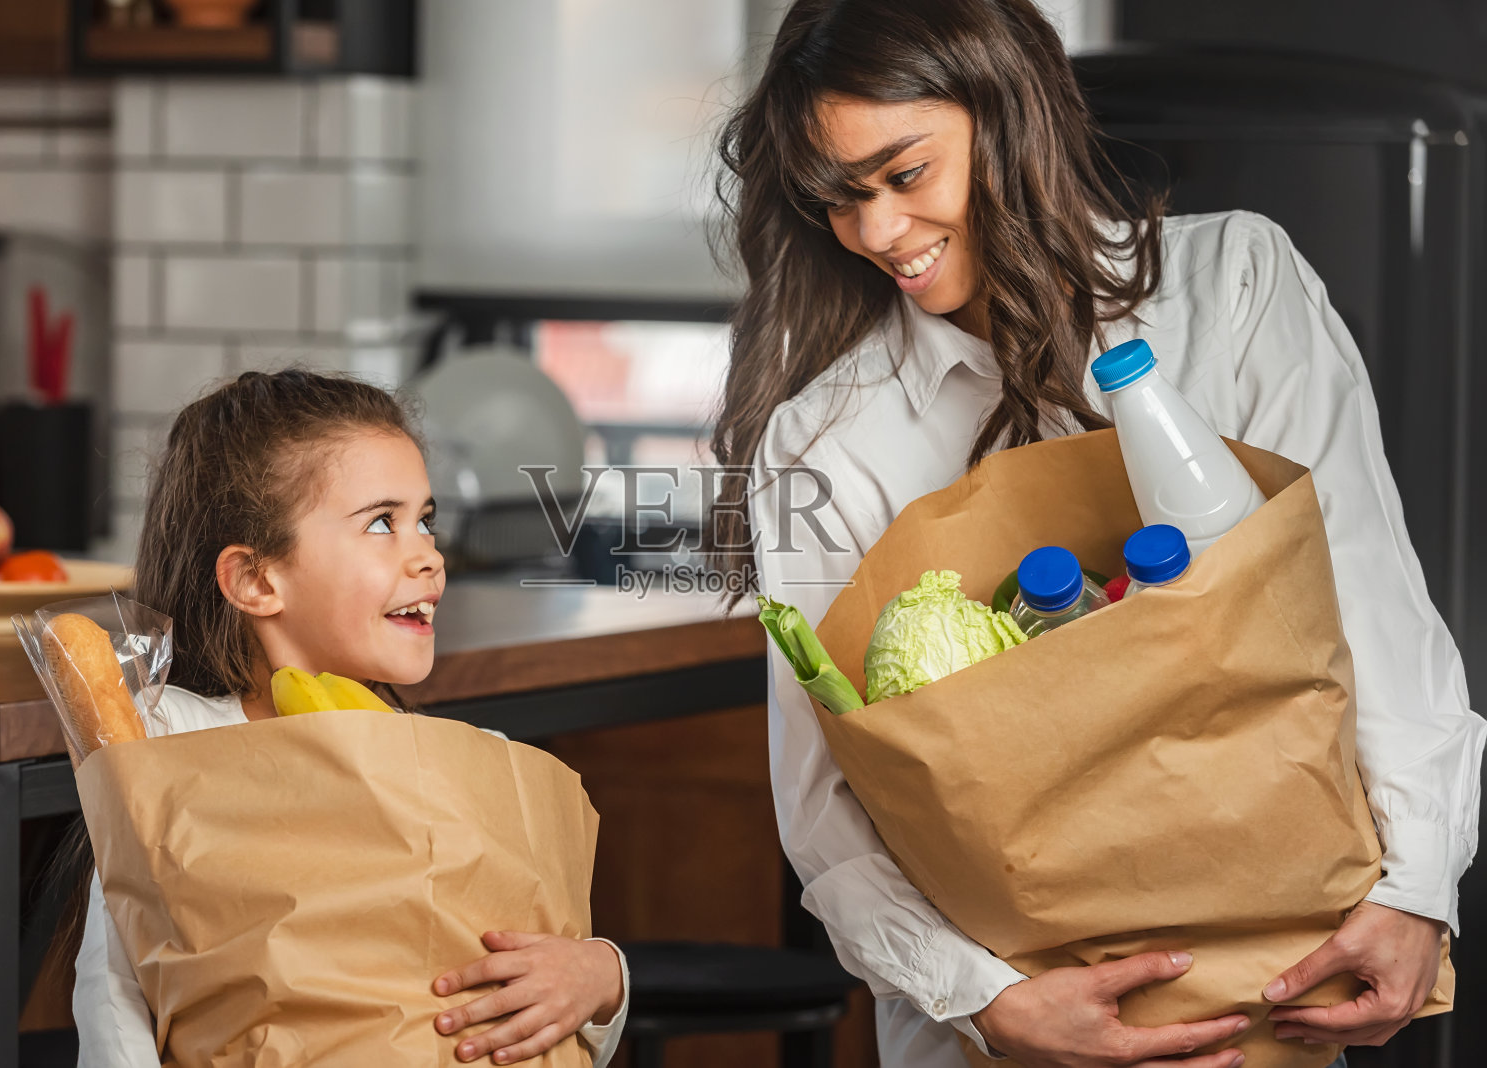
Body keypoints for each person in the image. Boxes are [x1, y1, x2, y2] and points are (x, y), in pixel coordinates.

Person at [709, 2, 1485, 1066]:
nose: (877, 232)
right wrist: (986, 1001)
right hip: (991, 1034)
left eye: (904, 175)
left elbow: (1367, 610)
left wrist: (1417, 890)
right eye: (837, 200)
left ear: (1010, 115)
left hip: (1260, 989)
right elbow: (824, 806)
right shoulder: (825, 436)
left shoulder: (1235, 291)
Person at [73, 370, 629, 1067]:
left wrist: (603, 978)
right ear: (255, 579)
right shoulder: (167, 746)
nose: (428, 554)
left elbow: (521, 999)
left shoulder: (466, 763)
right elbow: (115, 996)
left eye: (425, 519)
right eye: (380, 523)